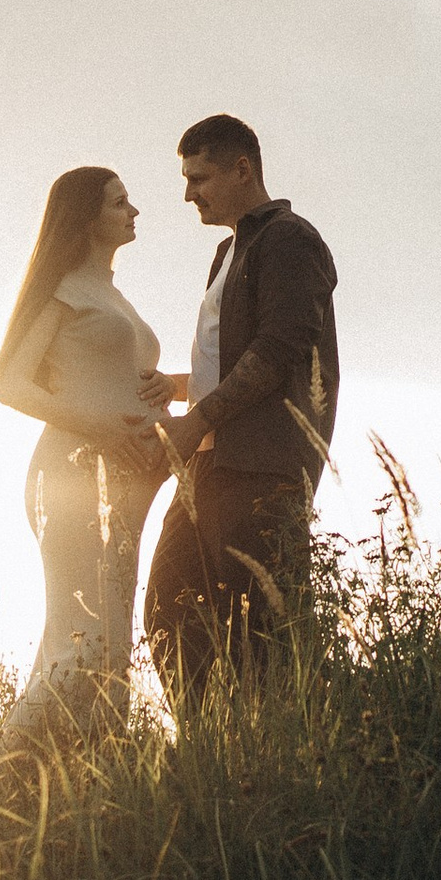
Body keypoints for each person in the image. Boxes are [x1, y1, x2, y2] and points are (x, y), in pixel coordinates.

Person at [142, 114, 339, 700]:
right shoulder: (230, 249)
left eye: (199, 178)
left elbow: (281, 350)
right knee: (167, 612)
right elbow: (234, 358)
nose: (188, 194)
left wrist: (194, 421)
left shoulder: (289, 238)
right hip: (208, 461)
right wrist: (176, 386)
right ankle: (213, 747)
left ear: (242, 168)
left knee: (269, 631)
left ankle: (291, 750)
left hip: (258, 465)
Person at [0, 165, 185, 745]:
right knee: (81, 641)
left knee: (105, 642)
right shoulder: (65, 288)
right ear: (86, 218)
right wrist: (102, 427)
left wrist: (163, 393)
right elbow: (12, 385)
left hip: (125, 484)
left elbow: (114, 375)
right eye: (120, 203)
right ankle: (3, 780)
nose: (134, 212)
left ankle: (85, 776)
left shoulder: (110, 293)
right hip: (74, 478)